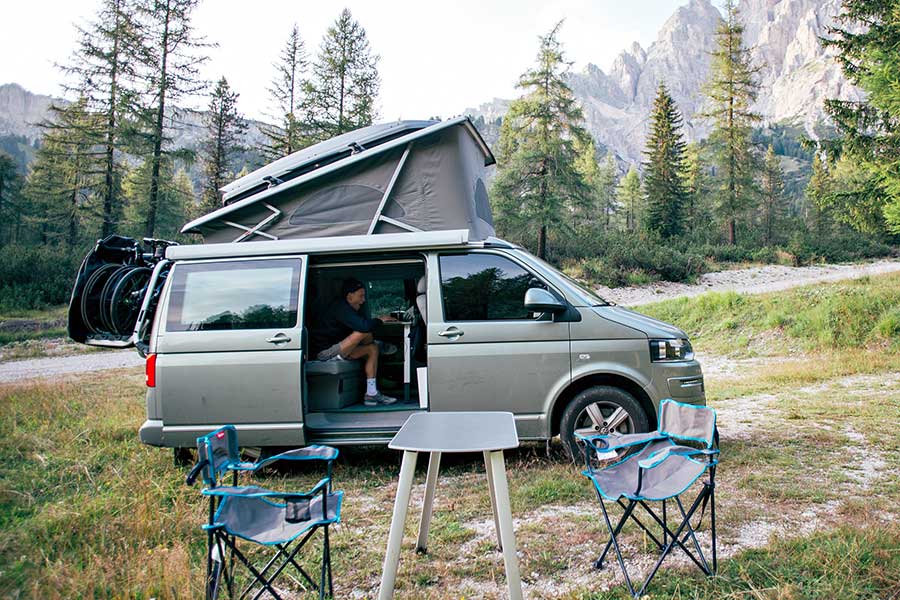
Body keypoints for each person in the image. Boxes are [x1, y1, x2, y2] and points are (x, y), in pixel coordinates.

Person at [310, 278, 399, 406]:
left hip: (339, 348)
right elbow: (364, 327)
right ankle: (377, 344)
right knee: (362, 331)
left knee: (372, 348)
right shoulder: (340, 307)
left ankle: (371, 393)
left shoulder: (347, 309)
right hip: (324, 353)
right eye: (361, 296)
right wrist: (380, 319)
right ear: (350, 296)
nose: (363, 300)